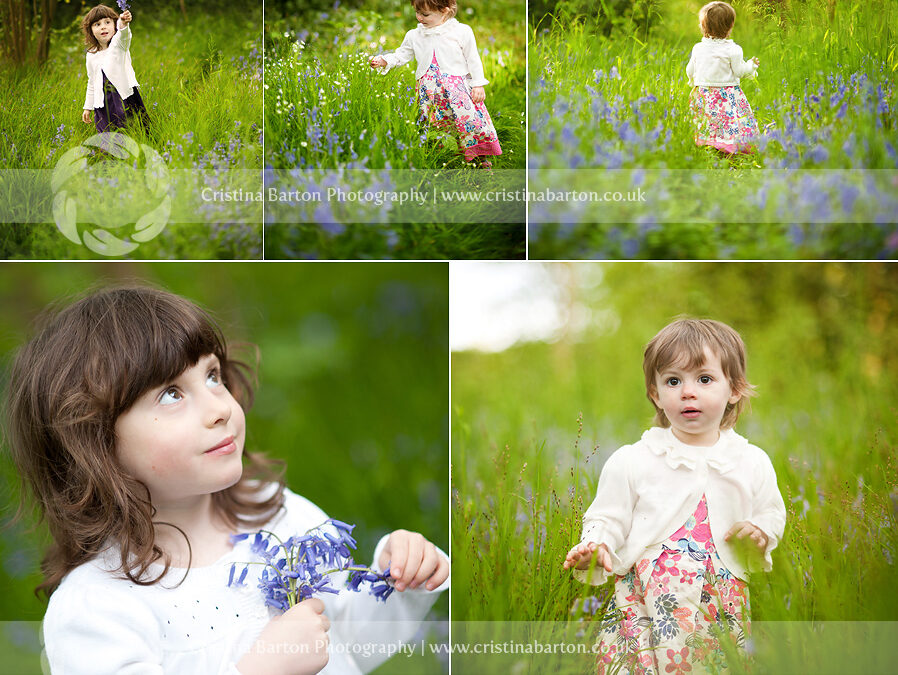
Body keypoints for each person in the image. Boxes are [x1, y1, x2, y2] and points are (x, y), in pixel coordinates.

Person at [5, 285, 449, 675]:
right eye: (171, 394)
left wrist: (399, 580)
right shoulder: (99, 609)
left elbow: (347, 645)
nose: (220, 407)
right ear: (95, 444)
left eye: (213, 376)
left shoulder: (280, 514)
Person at [563, 319, 786, 674]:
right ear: (655, 393)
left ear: (735, 389)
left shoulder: (751, 461)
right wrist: (597, 545)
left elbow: (771, 513)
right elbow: (608, 515)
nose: (688, 392)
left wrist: (760, 532)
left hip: (719, 601)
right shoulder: (633, 459)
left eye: (704, 379)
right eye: (673, 381)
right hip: (646, 603)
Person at [368, 0, 501, 168]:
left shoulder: (461, 31)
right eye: (417, 12)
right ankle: (445, 158)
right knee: (436, 125)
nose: (419, 18)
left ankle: (481, 159)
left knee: (470, 122)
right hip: (429, 92)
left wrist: (478, 84)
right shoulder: (414, 35)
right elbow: (402, 55)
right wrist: (384, 60)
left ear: (444, 11)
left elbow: (473, 58)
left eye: (425, 14)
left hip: (457, 92)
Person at [686, 2, 760, 154]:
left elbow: (690, 70)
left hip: (704, 94)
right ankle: (729, 150)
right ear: (730, 26)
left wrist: (692, 80)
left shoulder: (698, 48)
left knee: (708, 123)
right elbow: (739, 71)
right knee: (728, 123)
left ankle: (709, 146)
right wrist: (751, 66)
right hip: (727, 97)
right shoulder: (734, 50)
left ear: (703, 26)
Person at [81, 4, 150, 133]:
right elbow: (92, 82)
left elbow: (124, 35)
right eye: (97, 24)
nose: (103, 27)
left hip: (124, 97)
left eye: (107, 22)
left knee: (135, 128)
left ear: (114, 25)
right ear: (90, 30)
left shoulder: (118, 45)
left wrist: (123, 23)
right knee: (106, 133)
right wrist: (88, 107)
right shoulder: (91, 55)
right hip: (103, 102)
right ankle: (108, 152)